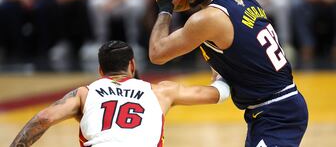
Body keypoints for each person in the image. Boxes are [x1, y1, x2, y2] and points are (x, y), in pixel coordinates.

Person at [149, 0, 308, 146]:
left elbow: (157, 54)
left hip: (276, 112)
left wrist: (165, 8)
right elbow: (229, 56)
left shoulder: (207, 19)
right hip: (274, 108)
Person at [10, 40, 229, 147]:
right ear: (132, 65)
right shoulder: (162, 91)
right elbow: (218, 93)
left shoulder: (85, 93)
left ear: (100, 71)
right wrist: (218, 64)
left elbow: (44, 119)